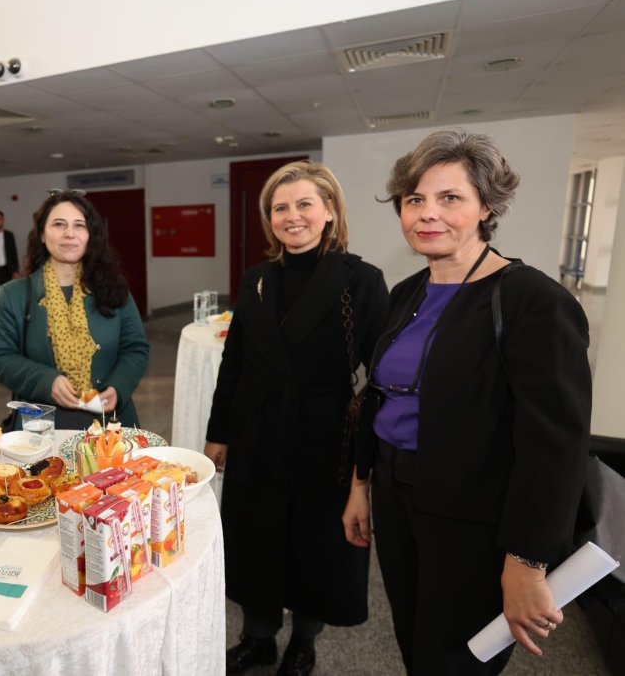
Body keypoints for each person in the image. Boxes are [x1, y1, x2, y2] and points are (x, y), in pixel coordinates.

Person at [342, 129, 591, 675]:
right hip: (398, 492)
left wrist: (527, 561)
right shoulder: (408, 291)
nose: (427, 214)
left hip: (474, 512)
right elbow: (379, 398)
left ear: (486, 206)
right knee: (413, 634)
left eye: (449, 198)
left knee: (457, 655)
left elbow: (555, 446)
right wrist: (361, 486)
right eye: (414, 200)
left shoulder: (533, 301)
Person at [204, 161, 388, 676]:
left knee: (316, 545)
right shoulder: (258, 279)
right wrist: (218, 434)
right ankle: (258, 636)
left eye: (305, 204)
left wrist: (367, 468)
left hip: (324, 434)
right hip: (258, 431)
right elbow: (235, 363)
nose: (292, 216)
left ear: (329, 211)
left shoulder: (363, 280)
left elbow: (380, 379)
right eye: (280, 208)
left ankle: (304, 640)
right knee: (256, 538)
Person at [0, 189, 149, 430]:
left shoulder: (114, 290)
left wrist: (118, 387)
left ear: (90, 235)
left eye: (79, 225)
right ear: (42, 234)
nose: (69, 234)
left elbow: (136, 348)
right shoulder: (13, 294)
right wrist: (46, 381)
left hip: (109, 421)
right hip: (41, 427)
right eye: (59, 224)